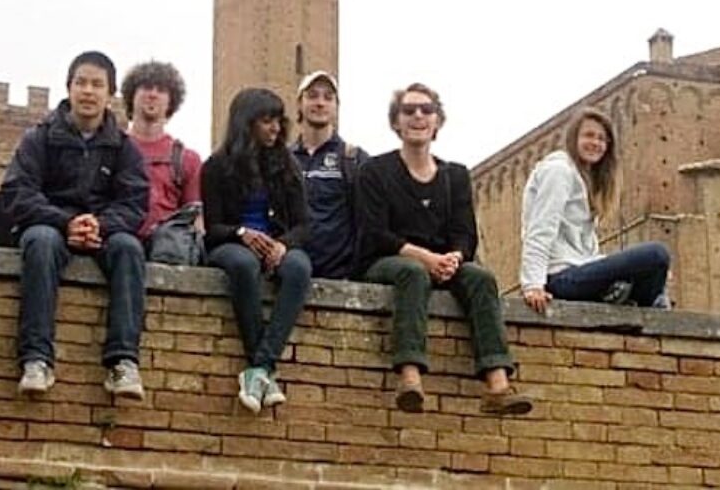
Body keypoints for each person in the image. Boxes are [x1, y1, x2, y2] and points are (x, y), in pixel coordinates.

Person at [357, 82, 531, 415]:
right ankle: (410, 378)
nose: (418, 116)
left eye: (426, 110)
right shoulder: (375, 172)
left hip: (442, 263)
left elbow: (465, 234)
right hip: (389, 262)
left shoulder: (455, 175)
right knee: (412, 274)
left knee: (480, 278)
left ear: (437, 121)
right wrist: (425, 258)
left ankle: (498, 385)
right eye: (409, 110)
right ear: (396, 122)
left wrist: (454, 258)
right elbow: (375, 233)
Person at [1, 51, 149, 401]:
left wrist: (99, 225)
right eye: (81, 82)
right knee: (41, 242)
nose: (88, 91)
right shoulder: (39, 138)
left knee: (130, 248)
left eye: (97, 84)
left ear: (109, 93)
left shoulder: (124, 147)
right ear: (68, 88)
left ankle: (123, 361)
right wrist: (65, 222)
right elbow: (18, 193)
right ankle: (36, 358)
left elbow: (134, 203)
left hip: (102, 230)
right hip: (49, 223)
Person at [202, 87, 312, 413]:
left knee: (298, 268)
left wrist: (284, 245)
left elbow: (305, 225)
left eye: (278, 120)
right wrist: (241, 234)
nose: (275, 128)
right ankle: (264, 369)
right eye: (266, 120)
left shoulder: (287, 166)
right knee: (242, 266)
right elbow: (212, 229)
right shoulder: (216, 167)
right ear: (246, 123)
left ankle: (259, 368)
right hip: (232, 245)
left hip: (277, 245)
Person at [519, 108, 671, 313]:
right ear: (574, 138)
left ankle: (639, 306)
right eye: (589, 135)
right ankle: (644, 303)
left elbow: (585, 249)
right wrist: (533, 285)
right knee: (656, 255)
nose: (595, 143)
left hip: (579, 271)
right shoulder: (559, 171)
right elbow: (540, 229)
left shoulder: (587, 180)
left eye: (602, 139)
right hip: (560, 278)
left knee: (655, 269)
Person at [120, 60, 204, 261]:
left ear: (171, 101)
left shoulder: (186, 158)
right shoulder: (113, 149)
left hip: (167, 252)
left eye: (161, 90)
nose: (153, 94)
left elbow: (195, 218)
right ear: (132, 96)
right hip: (119, 244)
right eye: (146, 88)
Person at [290, 70, 368, 280]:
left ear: (336, 107)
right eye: (312, 95)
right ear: (299, 103)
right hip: (288, 271)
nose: (320, 103)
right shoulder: (282, 159)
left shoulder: (354, 158)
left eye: (328, 97)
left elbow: (366, 221)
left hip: (339, 276)